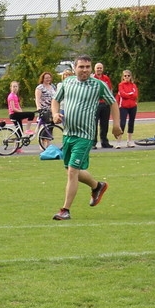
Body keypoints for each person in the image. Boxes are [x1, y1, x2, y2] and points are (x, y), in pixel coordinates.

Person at [50, 55, 115, 221]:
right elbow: (55, 100)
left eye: (88, 67)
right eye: (82, 67)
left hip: (85, 135)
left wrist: (117, 125)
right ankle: (97, 186)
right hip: (68, 134)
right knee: (71, 170)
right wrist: (55, 114)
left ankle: (65, 210)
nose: (85, 70)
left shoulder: (98, 85)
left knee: (72, 171)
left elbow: (113, 102)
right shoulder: (68, 82)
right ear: (75, 68)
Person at [92, 61, 116, 148]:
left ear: (102, 69)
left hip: (105, 104)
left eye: (100, 68)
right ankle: (93, 143)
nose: (99, 69)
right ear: (94, 69)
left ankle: (104, 142)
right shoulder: (91, 78)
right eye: (97, 68)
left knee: (104, 124)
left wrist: (109, 101)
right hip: (95, 104)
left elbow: (109, 90)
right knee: (93, 124)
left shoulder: (106, 78)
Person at [115, 69, 140, 148]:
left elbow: (135, 95)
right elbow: (122, 94)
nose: (127, 77)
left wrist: (129, 95)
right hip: (123, 107)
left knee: (131, 123)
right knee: (122, 123)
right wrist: (130, 94)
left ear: (131, 77)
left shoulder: (133, 85)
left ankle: (129, 141)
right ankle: (118, 142)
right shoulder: (121, 85)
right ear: (123, 77)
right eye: (125, 76)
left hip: (133, 106)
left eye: (128, 76)